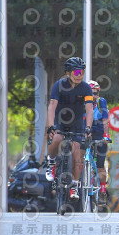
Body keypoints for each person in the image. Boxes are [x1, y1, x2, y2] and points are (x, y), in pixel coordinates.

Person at [45, 57, 94, 201]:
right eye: (77, 72)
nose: (80, 75)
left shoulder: (86, 88)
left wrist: (88, 127)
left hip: (77, 123)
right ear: (68, 73)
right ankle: (51, 162)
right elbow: (52, 106)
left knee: (76, 153)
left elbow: (89, 109)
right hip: (60, 121)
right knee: (57, 138)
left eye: (82, 72)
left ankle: (74, 185)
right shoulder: (59, 85)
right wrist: (51, 126)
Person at [88, 80, 111, 204]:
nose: (93, 96)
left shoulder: (101, 102)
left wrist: (106, 135)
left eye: (95, 93)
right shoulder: (83, 102)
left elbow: (105, 119)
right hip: (86, 131)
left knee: (100, 164)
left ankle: (102, 189)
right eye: (90, 93)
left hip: (99, 132)